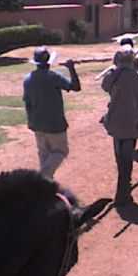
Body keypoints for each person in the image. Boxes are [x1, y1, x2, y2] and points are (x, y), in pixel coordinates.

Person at [101, 46, 138, 205]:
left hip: (115, 120)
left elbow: (105, 87)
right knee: (127, 159)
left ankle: (122, 189)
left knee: (119, 157)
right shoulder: (133, 76)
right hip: (131, 121)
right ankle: (124, 192)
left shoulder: (112, 75)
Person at [23, 47, 81, 179]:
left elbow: (27, 103)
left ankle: (45, 187)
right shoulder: (53, 76)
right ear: (48, 62)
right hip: (55, 124)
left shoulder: (27, 79)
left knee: (44, 155)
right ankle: (42, 177)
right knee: (61, 151)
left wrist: (30, 122)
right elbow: (76, 87)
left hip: (37, 123)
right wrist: (71, 68)